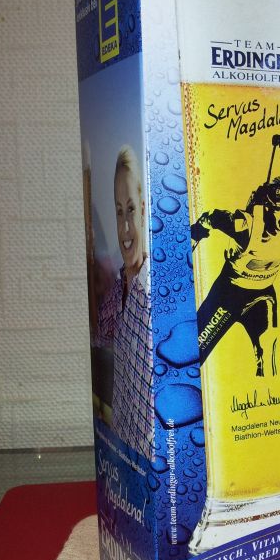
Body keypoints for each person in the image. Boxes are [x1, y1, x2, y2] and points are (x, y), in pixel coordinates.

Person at [191, 175, 280, 377]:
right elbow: (211, 218)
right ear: (266, 207)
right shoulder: (246, 226)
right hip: (228, 296)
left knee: (269, 363)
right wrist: (195, 237)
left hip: (263, 294)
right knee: (195, 352)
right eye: (279, 208)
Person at [93, 145, 154, 459]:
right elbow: (98, 339)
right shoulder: (117, 291)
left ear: (143, 210)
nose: (125, 228)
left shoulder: (157, 295)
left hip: (151, 465)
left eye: (130, 209)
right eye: (119, 212)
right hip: (120, 455)